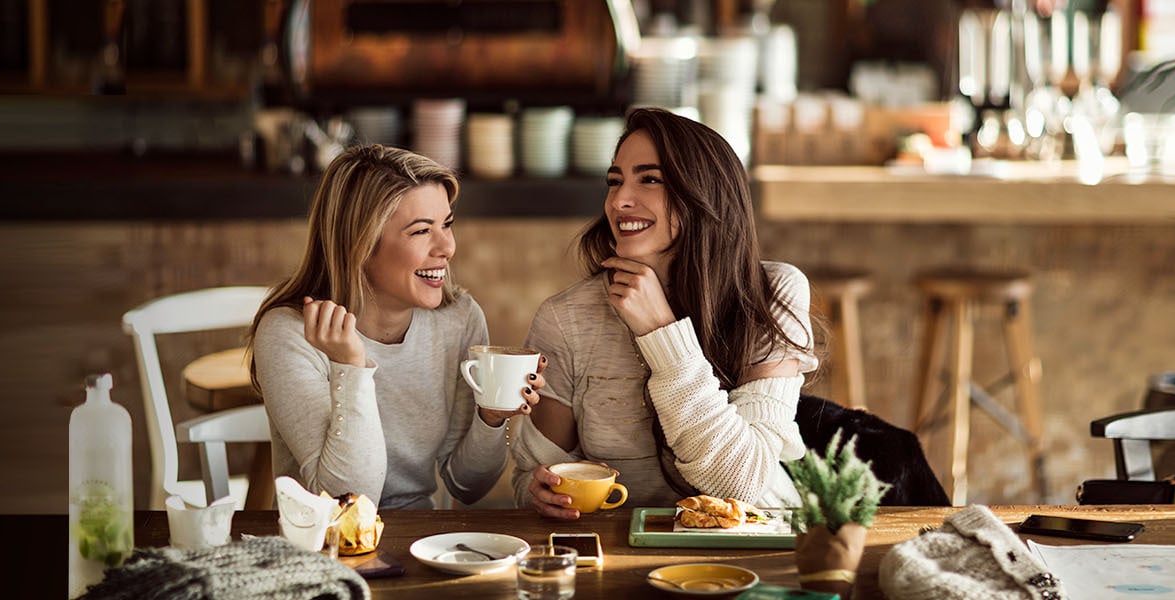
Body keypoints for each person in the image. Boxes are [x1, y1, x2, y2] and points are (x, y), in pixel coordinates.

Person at [511, 108, 820, 519]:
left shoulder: (771, 295)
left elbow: (742, 483)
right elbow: (531, 478)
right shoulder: (566, 319)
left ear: (704, 194)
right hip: (619, 550)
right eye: (615, 181)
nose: (619, 201)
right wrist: (539, 491)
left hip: (755, 547)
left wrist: (662, 331)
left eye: (650, 179)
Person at [249, 144, 543, 509]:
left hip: (421, 543)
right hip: (323, 548)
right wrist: (350, 368)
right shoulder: (292, 333)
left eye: (447, 224)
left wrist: (491, 417)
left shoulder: (459, 319)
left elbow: (468, 486)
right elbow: (349, 500)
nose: (447, 247)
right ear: (359, 243)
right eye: (421, 231)